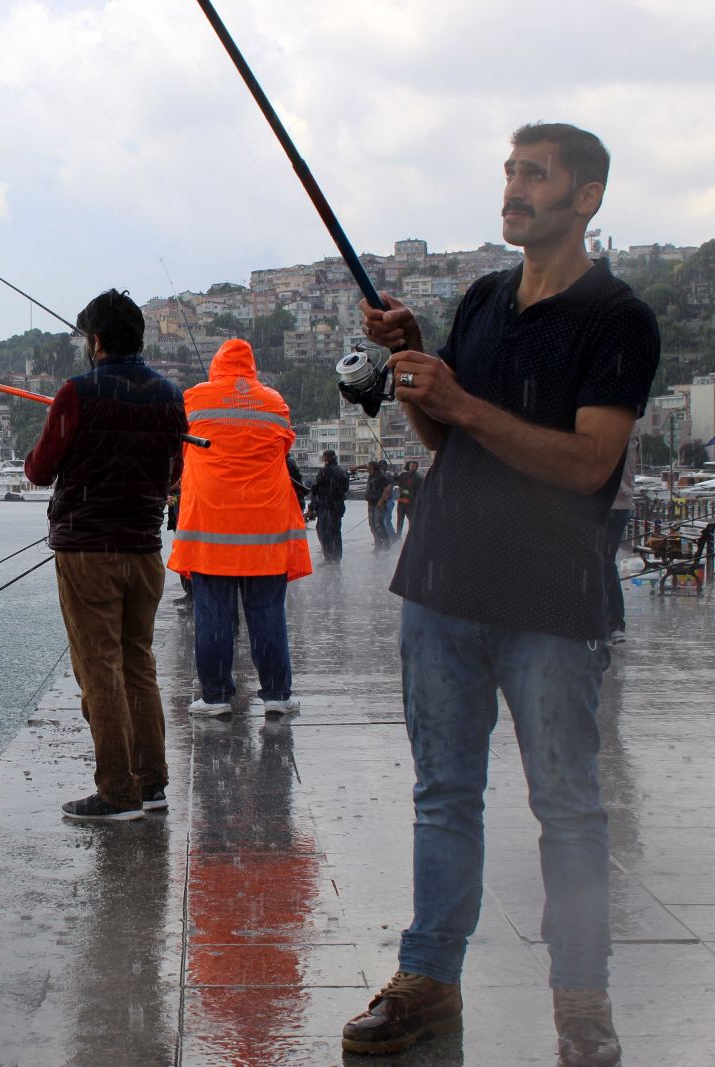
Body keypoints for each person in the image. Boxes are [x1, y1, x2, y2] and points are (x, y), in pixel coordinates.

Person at [344, 123, 659, 1067]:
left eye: (535, 175)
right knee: (444, 793)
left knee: (566, 804)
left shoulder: (618, 320)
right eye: (510, 172)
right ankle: (427, 981)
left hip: (550, 601)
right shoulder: (483, 298)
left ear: (587, 196)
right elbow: (448, 444)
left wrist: (464, 399)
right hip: (443, 583)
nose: (514, 189)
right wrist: (415, 375)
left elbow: (589, 461)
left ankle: (582, 1001)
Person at [24, 289, 189, 822]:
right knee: (138, 663)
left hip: (87, 550)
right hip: (144, 549)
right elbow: (173, 474)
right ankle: (152, 784)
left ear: (95, 341)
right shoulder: (169, 395)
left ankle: (117, 791)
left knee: (100, 670)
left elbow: (40, 470)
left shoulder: (76, 394)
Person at [168, 338, 311, 718]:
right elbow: (282, 449)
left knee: (212, 615)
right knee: (268, 613)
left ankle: (215, 697)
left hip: (211, 525)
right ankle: (278, 694)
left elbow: (177, 446)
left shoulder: (194, 398)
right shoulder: (275, 402)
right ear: (252, 367)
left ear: (216, 365)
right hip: (266, 525)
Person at [602, 430, 638, 643]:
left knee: (600, 562)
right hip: (622, 503)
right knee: (606, 562)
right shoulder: (630, 428)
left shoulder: (605, 424)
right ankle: (614, 624)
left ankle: (610, 622)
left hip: (605, 503)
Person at [308, 450, 351, 563]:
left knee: (324, 532)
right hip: (338, 506)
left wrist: (312, 507)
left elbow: (315, 489)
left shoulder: (324, 472)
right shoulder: (343, 471)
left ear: (325, 459)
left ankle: (329, 557)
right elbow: (345, 489)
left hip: (326, 506)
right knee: (336, 532)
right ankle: (337, 557)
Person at [364, 460, 393, 550]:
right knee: (372, 525)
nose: (367, 469)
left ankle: (386, 543)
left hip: (379, 503)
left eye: (369, 468)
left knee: (378, 524)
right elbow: (365, 466)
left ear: (374, 468)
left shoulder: (381, 476)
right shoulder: (371, 475)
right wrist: (356, 468)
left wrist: (381, 500)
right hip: (371, 503)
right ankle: (378, 543)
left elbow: (387, 488)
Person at [393, 460, 423, 540]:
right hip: (402, 501)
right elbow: (398, 483)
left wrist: (406, 491)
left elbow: (419, 490)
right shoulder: (403, 474)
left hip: (411, 503)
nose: (412, 468)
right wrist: (396, 478)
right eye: (411, 466)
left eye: (414, 466)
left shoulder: (418, 478)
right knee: (399, 520)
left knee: (411, 520)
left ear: (416, 468)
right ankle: (398, 537)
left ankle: (411, 537)